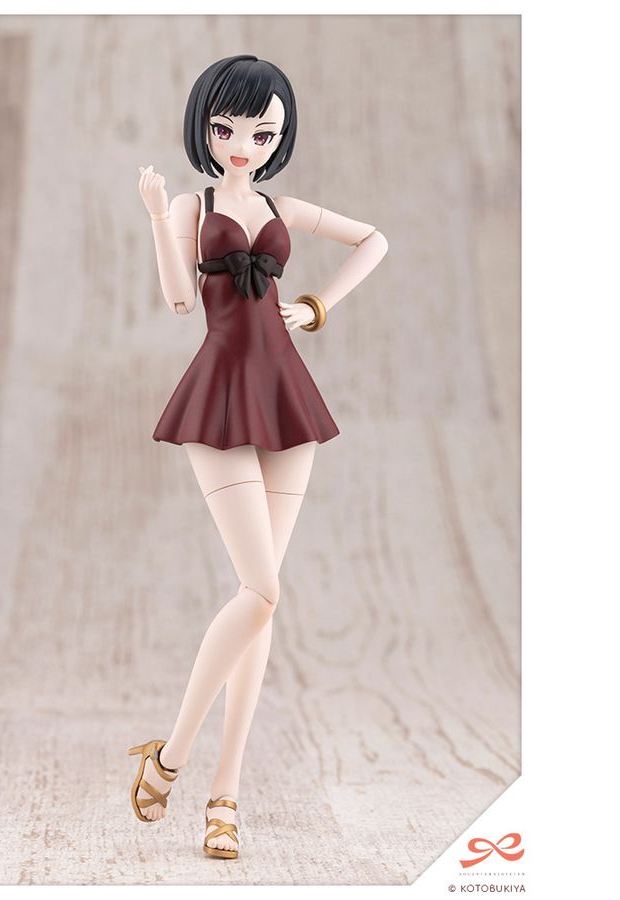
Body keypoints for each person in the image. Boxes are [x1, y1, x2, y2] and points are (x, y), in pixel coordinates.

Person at [129, 54, 389, 860]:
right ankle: (171, 754)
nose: (242, 145)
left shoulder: (281, 206)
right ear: (205, 128)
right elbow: (181, 300)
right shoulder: (192, 204)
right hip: (218, 391)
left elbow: (374, 240)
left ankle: (225, 793)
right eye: (226, 129)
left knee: (263, 600)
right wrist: (156, 218)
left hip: (284, 390)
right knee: (262, 588)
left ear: (280, 136)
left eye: (262, 133)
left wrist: (317, 306)